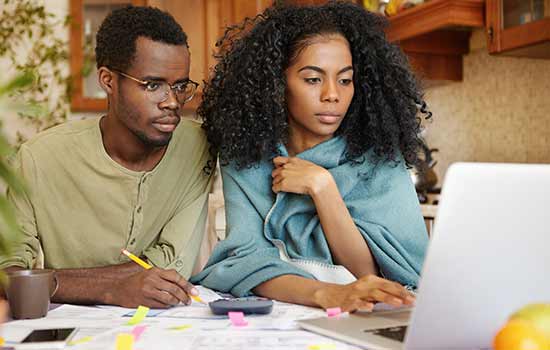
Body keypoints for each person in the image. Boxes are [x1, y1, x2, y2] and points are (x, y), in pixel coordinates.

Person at [191, 2, 430, 312]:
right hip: (278, 320)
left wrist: (323, 187)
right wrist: (324, 294)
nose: (332, 94)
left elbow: (370, 276)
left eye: (345, 80)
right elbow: (247, 264)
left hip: (364, 317)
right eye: (313, 79)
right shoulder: (246, 157)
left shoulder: (380, 158)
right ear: (277, 84)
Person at [0, 6, 214, 308]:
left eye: (180, 86)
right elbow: (8, 275)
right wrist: (110, 289)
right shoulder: (39, 159)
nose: (172, 102)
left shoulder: (197, 147)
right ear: (108, 80)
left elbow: (169, 267)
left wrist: (52, 281)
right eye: (153, 85)